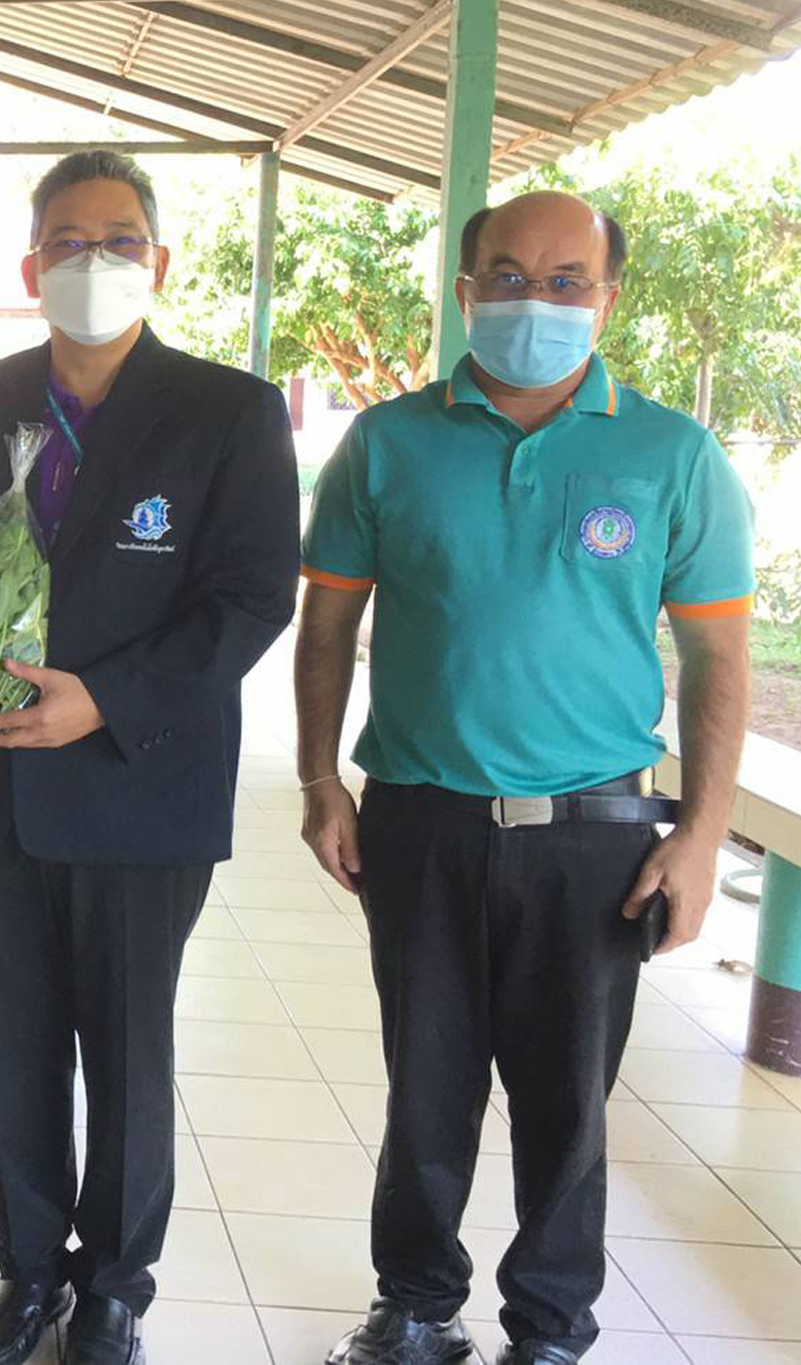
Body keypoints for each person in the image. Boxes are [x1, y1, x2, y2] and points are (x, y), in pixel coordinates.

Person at [301, 191, 754, 1365]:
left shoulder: (669, 455)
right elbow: (324, 626)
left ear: (606, 297)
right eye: (504, 276)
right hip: (420, 822)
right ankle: (412, 1305)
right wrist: (319, 778)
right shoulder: (387, 442)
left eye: (563, 281)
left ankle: (548, 1328)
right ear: (464, 293)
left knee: (568, 1105)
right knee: (425, 1089)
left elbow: (715, 658)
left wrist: (699, 836)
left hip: (594, 836)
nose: (532, 300)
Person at [0, 151, 299, 1365]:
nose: (93, 261)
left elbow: (247, 598)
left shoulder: (227, 409)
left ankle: (114, 1283)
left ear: (158, 262)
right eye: (67, 241)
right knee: (8, 1042)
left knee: (126, 1050)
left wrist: (103, 703)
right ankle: (25, 1275)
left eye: (119, 240)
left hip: (139, 784)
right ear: (29, 267)